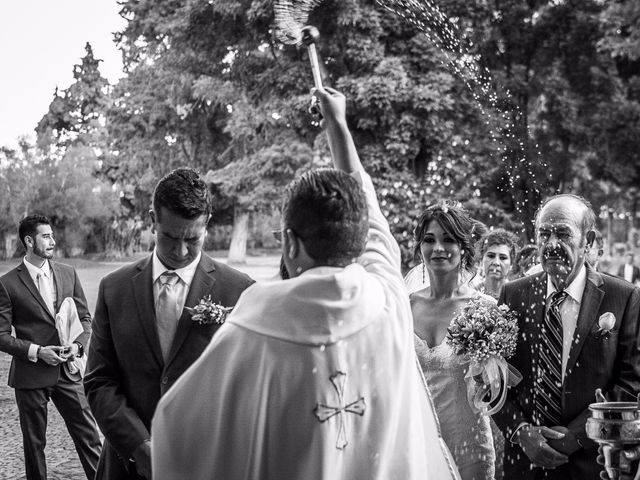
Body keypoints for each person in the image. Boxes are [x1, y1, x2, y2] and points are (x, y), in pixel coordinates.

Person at [151, 88, 459, 479]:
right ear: (358, 238)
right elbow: (369, 204)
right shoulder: (388, 297)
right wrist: (337, 124)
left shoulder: (256, 323)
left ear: (291, 244)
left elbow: (178, 425)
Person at [84, 168, 254, 480]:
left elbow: (247, 385)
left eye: (193, 238)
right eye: (170, 237)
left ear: (207, 224)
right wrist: (138, 446)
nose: (181, 251)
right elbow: (99, 380)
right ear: (153, 220)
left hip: (207, 465)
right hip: (127, 468)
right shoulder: (114, 288)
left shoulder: (240, 290)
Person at [493, 194, 640, 479]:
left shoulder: (622, 297)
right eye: (544, 234)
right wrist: (522, 432)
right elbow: (494, 379)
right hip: (526, 462)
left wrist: (576, 436)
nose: (551, 244)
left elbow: (630, 381)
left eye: (562, 233)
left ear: (588, 240)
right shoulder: (514, 294)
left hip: (591, 461)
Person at [0, 214, 101, 480]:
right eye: (46, 236)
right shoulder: (7, 283)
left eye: (53, 235)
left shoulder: (68, 273)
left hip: (68, 372)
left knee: (89, 437)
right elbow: (1, 335)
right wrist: (36, 351)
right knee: (35, 446)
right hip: (30, 375)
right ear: (29, 241)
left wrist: (78, 347)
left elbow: (85, 318)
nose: (53, 241)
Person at [411, 201, 496, 480]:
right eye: (429, 240)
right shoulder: (404, 307)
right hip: (416, 441)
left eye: (448, 240)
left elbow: (500, 388)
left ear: (463, 247)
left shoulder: (485, 308)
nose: (438, 248)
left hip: (469, 445)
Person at [475, 228, 520, 299]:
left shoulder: (518, 296)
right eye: (491, 256)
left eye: (502, 258)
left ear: (511, 264)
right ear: (481, 261)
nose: (496, 262)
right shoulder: (471, 295)